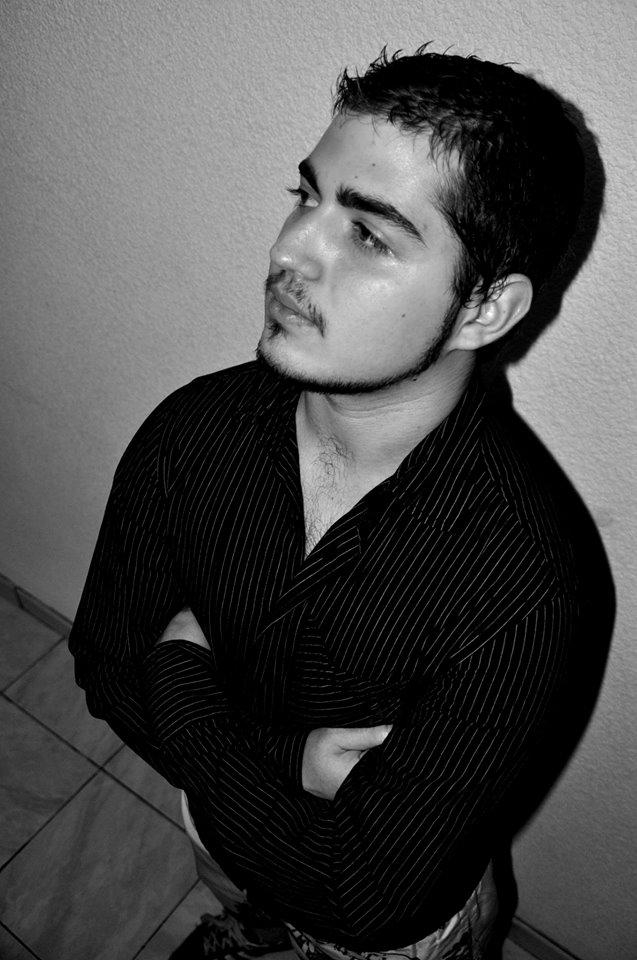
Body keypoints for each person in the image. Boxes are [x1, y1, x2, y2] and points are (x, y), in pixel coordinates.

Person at [68, 46, 585, 960]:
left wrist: (181, 688)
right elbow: (106, 665)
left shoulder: (525, 585)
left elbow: (364, 898)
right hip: (218, 832)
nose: (289, 250)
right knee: (244, 907)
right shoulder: (193, 432)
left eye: (369, 235)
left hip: (392, 944)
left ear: (483, 310)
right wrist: (286, 760)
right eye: (305, 197)